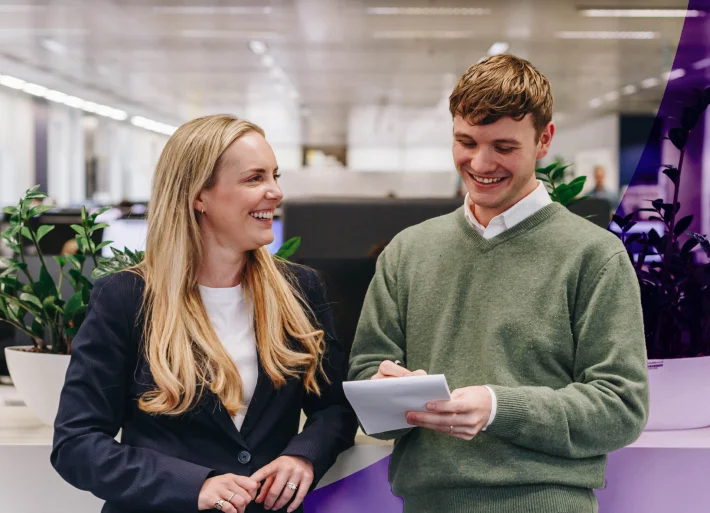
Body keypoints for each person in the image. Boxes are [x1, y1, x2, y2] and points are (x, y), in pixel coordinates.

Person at [348, 54, 648, 513]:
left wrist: (497, 407)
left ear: (544, 140)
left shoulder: (594, 256)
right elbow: (366, 381)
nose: (480, 162)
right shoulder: (408, 251)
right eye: (465, 142)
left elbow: (620, 407)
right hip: (428, 503)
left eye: (503, 147)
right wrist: (388, 393)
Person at [51, 114, 357, 513]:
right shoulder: (127, 297)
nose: (276, 192)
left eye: (275, 176)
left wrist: (303, 455)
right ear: (199, 196)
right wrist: (195, 485)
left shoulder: (299, 290)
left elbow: (334, 407)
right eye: (254, 178)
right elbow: (77, 442)